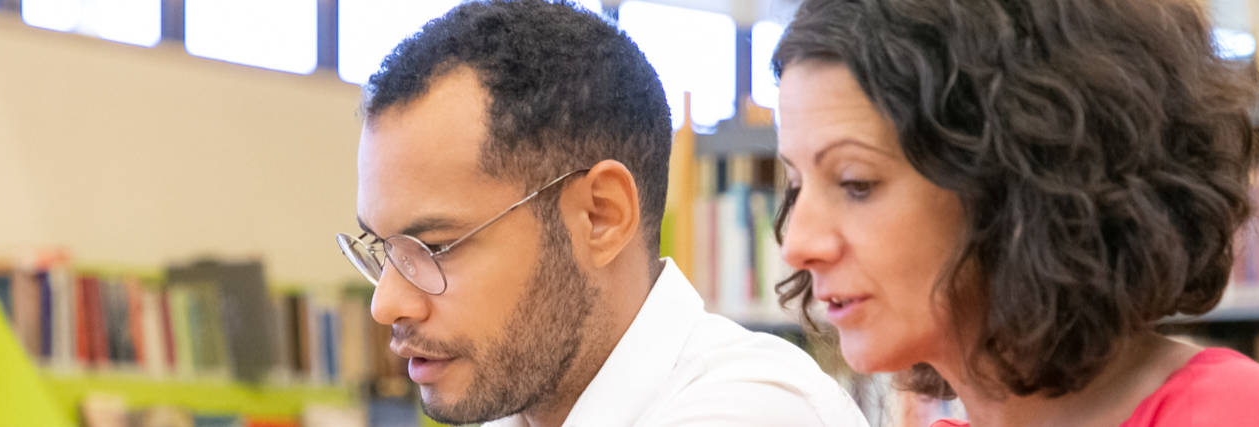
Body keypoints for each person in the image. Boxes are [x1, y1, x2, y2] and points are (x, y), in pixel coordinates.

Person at [769, 0, 1259, 426]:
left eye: (855, 183)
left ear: (1020, 179)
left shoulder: (1229, 414)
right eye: (795, 186)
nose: (798, 242)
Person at [335, 1, 866, 426]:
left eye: (434, 248)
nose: (386, 305)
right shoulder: (518, 404)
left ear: (600, 217)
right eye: (384, 250)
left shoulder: (754, 409)